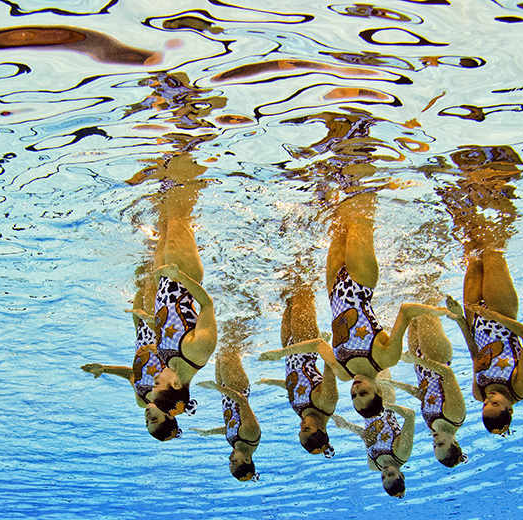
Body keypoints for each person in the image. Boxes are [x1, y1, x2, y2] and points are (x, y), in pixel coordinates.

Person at [260, 192, 448, 418]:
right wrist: (435, 311)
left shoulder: (343, 372)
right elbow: (406, 311)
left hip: (333, 289)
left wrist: (282, 353)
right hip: (361, 282)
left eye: (354, 396)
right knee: (360, 210)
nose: (357, 389)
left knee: (338, 223)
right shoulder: (386, 359)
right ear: (378, 390)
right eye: (365, 394)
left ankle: (333, 178)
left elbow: (319, 345)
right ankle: (360, 167)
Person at [81, 270, 181, 441]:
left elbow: (130, 374)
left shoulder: (141, 400)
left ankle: (144, 254)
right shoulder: (173, 394)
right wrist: (160, 350)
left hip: (141, 335)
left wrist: (104, 369)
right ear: (170, 416)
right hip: (160, 333)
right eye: (154, 419)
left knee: (141, 284)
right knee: (150, 282)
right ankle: (152, 252)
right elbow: (181, 361)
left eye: (146, 422)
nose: (148, 417)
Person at [446, 250, 523, 435]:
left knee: (472, 253)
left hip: (475, 321)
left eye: (486, 405)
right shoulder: (521, 386)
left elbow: (475, 356)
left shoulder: (479, 393)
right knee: (491, 251)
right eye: (495, 403)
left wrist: (460, 320)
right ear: (509, 409)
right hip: (501, 311)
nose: (488, 398)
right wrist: (495, 315)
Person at [150, 178, 217, 419]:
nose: (155, 379)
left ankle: (165, 170)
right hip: (182, 274)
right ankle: (186, 159)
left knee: (165, 222)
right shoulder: (198, 353)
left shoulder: (171, 365)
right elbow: (207, 305)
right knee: (179, 214)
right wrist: (182, 277)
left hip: (165, 282)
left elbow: (169, 323)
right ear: (176, 384)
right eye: (158, 384)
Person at [256, 287, 338, 457]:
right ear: (322, 428)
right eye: (306, 429)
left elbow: (295, 387)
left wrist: (271, 382)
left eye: (300, 431)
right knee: (303, 291)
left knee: (289, 298)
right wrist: (322, 343)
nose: (301, 425)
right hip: (305, 342)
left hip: (289, 347)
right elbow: (331, 361)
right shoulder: (327, 402)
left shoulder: (302, 412)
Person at [391, 312, 466, 467]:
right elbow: (447, 373)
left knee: (412, 310)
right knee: (425, 304)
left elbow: (423, 394)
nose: (435, 441)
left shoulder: (433, 425)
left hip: (420, 362)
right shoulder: (455, 416)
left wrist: (393, 383)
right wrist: (418, 360)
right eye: (441, 444)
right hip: (436, 355)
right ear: (455, 443)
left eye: (434, 446)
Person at [332, 372, 414, 498]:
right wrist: (384, 405)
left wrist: (346, 425)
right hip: (383, 396)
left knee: (358, 369)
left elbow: (367, 436)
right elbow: (410, 415)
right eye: (391, 475)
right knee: (376, 363)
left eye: (383, 478)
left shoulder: (373, 465)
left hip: (364, 404)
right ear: (401, 475)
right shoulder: (402, 454)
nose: (385, 473)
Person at [192, 349, 261, 481]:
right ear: (247, 459)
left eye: (230, 462)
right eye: (234, 461)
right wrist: (217, 388)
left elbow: (230, 429)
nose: (229, 458)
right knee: (229, 349)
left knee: (220, 351)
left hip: (225, 391)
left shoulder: (237, 445)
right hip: (237, 387)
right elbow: (242, 401)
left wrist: (208, 433)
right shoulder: (251, 434)